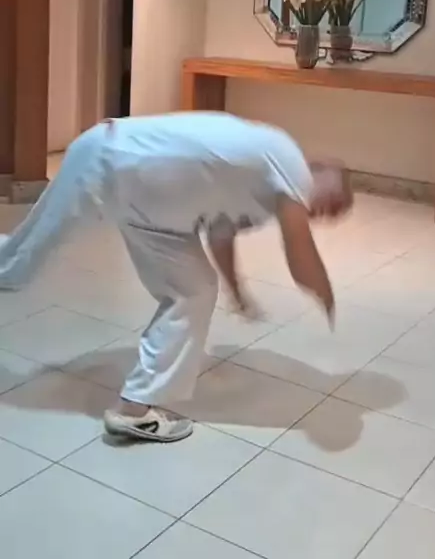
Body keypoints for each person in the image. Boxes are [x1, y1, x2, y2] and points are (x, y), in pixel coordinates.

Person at [0, 112, 352, 443]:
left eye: (335, 213)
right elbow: (300, 257)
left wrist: (236, 291)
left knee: (195, 291)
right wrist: (327, 295)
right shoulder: (289, 161)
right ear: (320, 170)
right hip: (108, 157)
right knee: (17, 263)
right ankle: (135, 406)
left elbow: (220, 234)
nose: (329, 212)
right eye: (336, 199)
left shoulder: (263, 193)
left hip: (151, 213)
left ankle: (134, 410)